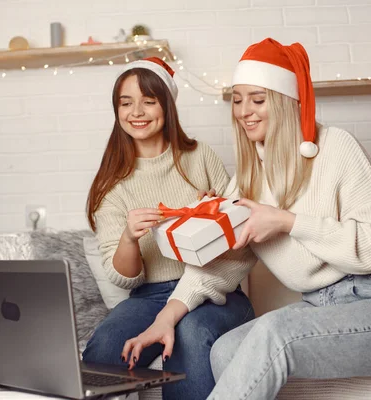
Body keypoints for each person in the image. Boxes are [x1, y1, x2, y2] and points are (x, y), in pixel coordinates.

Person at [201, 38, 371, 399]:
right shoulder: (248, 181)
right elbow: (225, 263)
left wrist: (287, 221)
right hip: (323, 306)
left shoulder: (336, 146)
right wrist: (167, 316)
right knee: (224, 350)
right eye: (237, 99)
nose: (244, 111)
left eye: (258, 99)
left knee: (274, 331)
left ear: (282, 102)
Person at [81, 57, 256, 400]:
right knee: (104, 346)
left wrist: (216, 213)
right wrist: (130, 237)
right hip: (148, 296)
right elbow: (124, 278)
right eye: (126, 103)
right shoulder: (111, 184)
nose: (138, 112)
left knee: (190, 333)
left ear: (167, 105)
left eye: (149, 101)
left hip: (215, 291)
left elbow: (242, 230)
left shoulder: (200, 156)